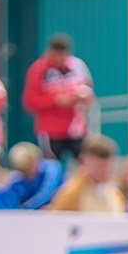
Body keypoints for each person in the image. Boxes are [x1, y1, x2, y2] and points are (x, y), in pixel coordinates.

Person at [22, 33, 94, 162]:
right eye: (56, 55)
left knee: (85, 163)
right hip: (51, 130)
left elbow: (89, 94)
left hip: (76, 128)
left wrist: (81, 98)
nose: (60, 59)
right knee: (53, 166)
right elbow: (30, 101)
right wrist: (55, 101)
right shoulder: (38, 69)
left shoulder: (77, 66)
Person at [50, 135, 125, 213]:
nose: (102, 172)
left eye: (106, 167)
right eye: (97, 167)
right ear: (84, 161)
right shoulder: (71, 193)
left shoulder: (115, 191)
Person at [0, 140, 59, 210]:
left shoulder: (52, 170)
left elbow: (45, 195)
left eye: (28, 169)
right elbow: (13, 195)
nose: (26, 174)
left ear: (34, 162)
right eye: (23, 171)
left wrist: (24, 209)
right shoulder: (18, 179)